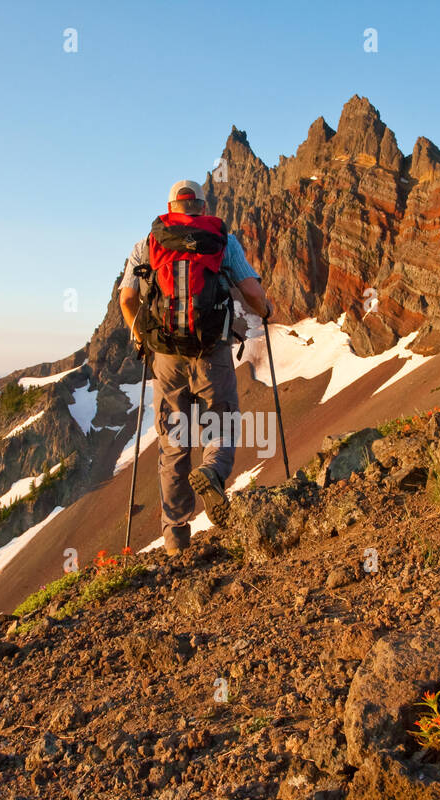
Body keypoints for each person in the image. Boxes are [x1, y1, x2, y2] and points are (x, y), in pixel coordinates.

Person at [119, 179, 275, 556]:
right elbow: (252, 292)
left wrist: (140, 336)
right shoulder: (223, 240)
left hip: (166, 357)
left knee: (173, 440)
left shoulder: (149, 242)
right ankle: (213, 472)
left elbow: (126, 298)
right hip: (211, 349)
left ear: (171, 206)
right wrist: (265, 311)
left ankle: (175, 537)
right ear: (203, 208)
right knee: (221, 421)